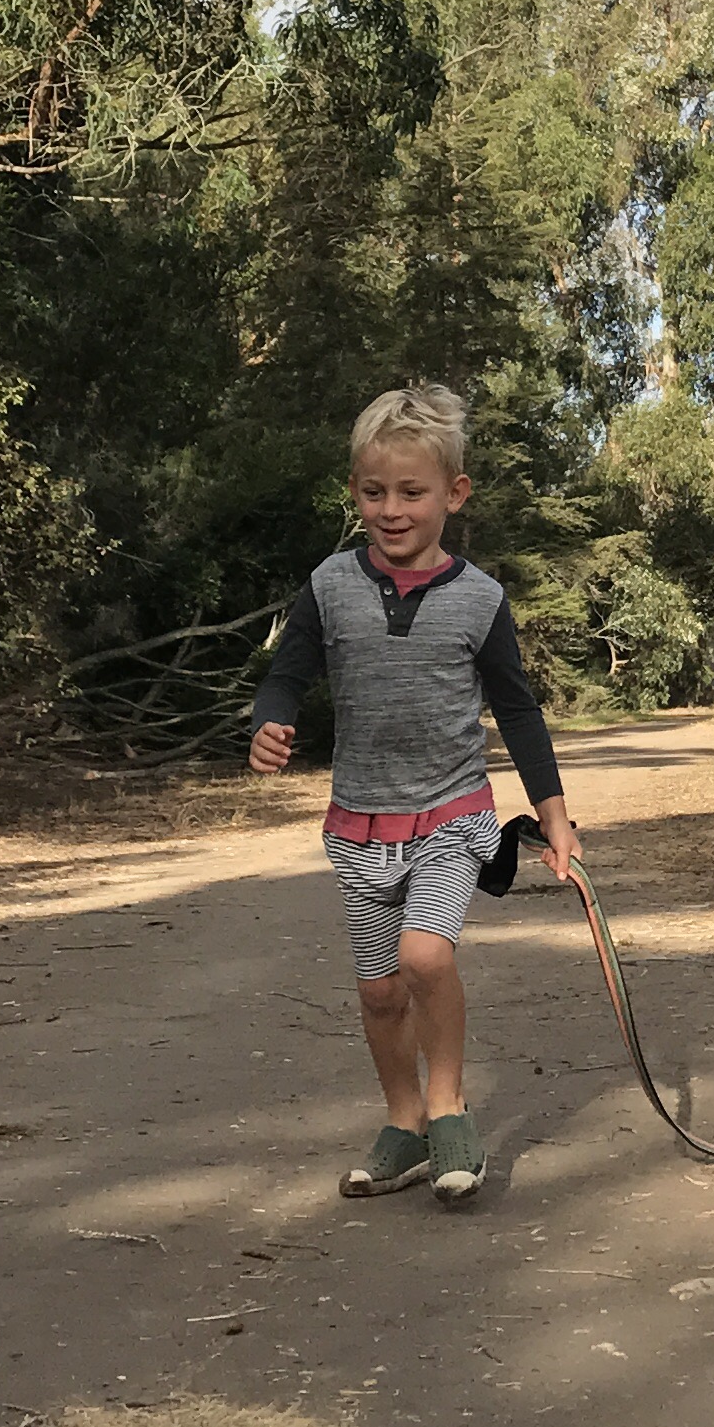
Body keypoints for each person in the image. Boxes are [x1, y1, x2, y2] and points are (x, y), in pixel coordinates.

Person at [247, 380, 579, 1207]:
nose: (391, 511)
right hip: (360, 824)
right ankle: (404, 1125)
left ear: (453, 494)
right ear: (355, 491)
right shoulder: (329, 585)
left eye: (411, 492)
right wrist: (270, 722)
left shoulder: (480, 598)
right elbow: (286, 674)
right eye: (374, 492)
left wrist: (555, 818)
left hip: (451, 817)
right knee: (379, 990)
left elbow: (518, 710)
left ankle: (448, 1107)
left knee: (425, 957)